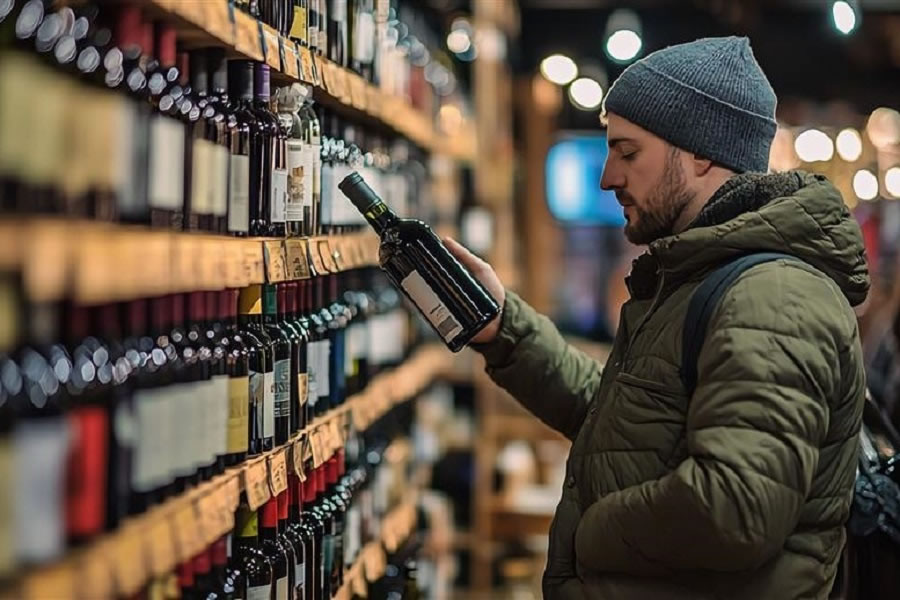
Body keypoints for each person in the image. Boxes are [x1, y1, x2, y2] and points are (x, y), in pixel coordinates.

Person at [447, 36, 870, 599]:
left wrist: (587, 531)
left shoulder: (775, 297)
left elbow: (734, 509)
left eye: (628, 152)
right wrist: (504, 328)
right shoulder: (703, 277)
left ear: (699, 153)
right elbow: (633, 430)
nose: (607, 177)